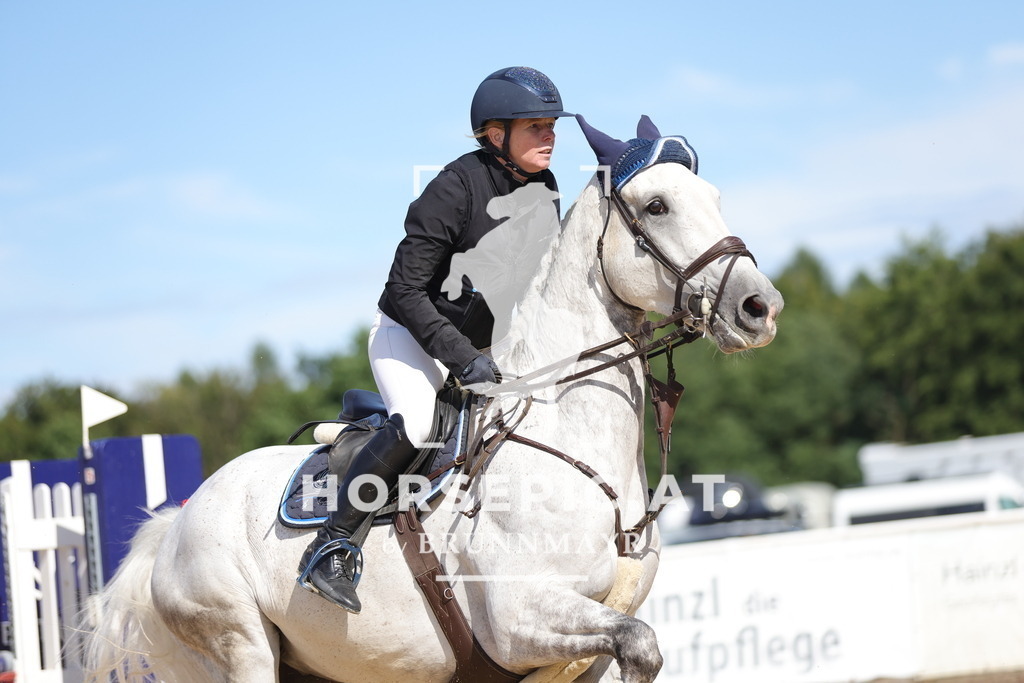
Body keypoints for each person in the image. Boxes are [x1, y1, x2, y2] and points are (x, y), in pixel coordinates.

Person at [297, 66, 572, 613]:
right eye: (535, 125)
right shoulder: (453, 187)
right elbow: (403, 290)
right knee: (420, 424)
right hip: (410, 336)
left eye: (551, 126)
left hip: (484, 351)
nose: (549, 136)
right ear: (495, 135)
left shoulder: (545, 187)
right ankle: (333, 544)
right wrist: (462, 357)